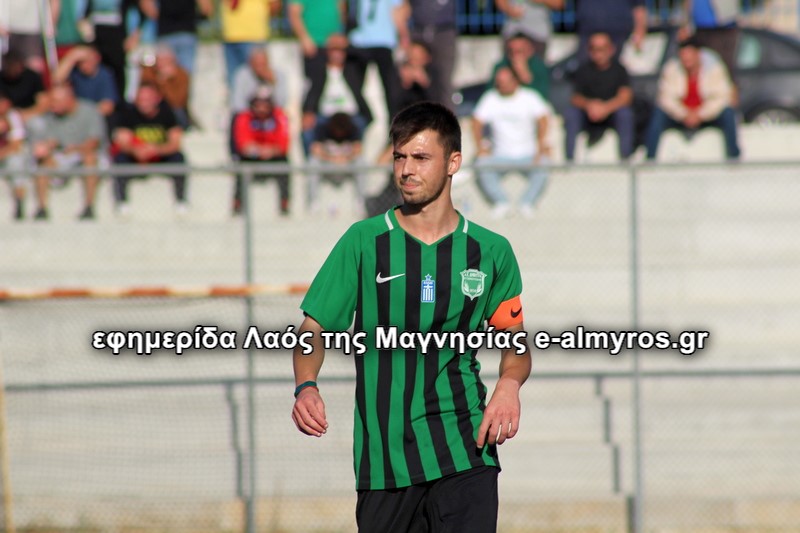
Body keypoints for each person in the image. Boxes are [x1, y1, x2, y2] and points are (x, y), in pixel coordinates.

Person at [291, 101, 532, 532]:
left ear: (453, 162)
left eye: (420, 157)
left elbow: (516, 343)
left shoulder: (491, 251)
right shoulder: (363, 241)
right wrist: (306, 385)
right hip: (386, 463)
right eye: (399, 157)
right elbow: (313, 329)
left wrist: (509, 386)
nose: (406, 170)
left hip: (466, 449)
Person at [644, 36, 740, 161]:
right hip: (680, 116)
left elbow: (722, 97)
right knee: (658, 115)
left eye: (689, 56)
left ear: (698, 54)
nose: (686, 60)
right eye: (683, 57)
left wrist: (700, 114)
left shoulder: (714, 68)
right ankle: (650, 159)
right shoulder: (671, 69)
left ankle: (734, 157)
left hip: (706, 115)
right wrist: (684, 114)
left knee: (728, 114)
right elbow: (665, 98)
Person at [473, 66, 551, 219]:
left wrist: (541, 144)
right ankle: (501, 202)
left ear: (515, 81)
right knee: (481, 163)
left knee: (545, 164)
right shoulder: (490, 98)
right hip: (500, 155)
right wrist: (480, 145)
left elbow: (543, 119)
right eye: (499, 82)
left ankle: (527, 203)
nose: (501, 85)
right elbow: (476, 122)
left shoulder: (530, 97)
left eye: (505, 81)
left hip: (528, 155)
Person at [28, 84, 107, 220]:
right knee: (42, 164)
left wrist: (75, 149)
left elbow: (94, 142)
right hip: (62, 156)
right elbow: (46, 142)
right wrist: (47, 147)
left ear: (69, 99)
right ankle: (41, 209)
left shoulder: (89, 111)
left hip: (85, 155)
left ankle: (89, 207)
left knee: (90, 159)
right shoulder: (50, 116)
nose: (52, 105)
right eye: (51, 101)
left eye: (56, 101)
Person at [111, 83, 188, 214]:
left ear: (157, 98)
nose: (144, 103)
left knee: (179, 158)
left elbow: (175, 143)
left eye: (148, 99)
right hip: (136, 156)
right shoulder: (128, 113)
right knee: (120, 159)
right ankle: (122, 202)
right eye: (141, 99)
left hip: (160, 156)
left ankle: (181, 201)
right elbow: (122, 140)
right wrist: (136, 150)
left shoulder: (168, 113)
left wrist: (156, 150)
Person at [564, 32, 635, 163]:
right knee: (571, 114)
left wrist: (605, 108)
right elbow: (575, 98)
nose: (598, 53)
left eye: (602, 49)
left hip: (611, 113)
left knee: (625, 114)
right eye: (594, 49)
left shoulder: (620, 70)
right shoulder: (583, 70)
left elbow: (625, 97)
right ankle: (569, 160)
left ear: (611, 49)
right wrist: (589, 105)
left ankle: (625, 160)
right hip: (588, 114)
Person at [301, 33, 371, 156]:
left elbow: (366, 56)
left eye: (341, 50)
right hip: (325, 116)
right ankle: (311, 163)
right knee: (307, 129)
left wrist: (347, 44)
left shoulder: (353, 69)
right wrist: (308, 111)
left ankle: (357, 160)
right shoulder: (318, 69)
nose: (337, 53)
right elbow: (312, 92)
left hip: (351, 116)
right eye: (334, 49)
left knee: (360, 124)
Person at [230, 85, 290, 216]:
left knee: (284, 164)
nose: (262, 108)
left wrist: (269, 150)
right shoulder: (244, 117)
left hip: (273, 157)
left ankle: (284, 205)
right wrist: (259, 150)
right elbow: (243, 145)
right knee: (240, 165)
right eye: (258, 104)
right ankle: (237, 205)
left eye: (265, 104)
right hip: (252, 157)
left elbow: (283, 145)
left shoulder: (279, 116)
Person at [346, 0, 410, 120]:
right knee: (353, 87)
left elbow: (400, 11)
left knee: (390, 89)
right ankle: (362, 120)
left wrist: (403, 36)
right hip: (358, 42)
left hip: (385, 42)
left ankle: (393, 124)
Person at [306, 111, 365, 214]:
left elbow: (358, 149)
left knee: (361, 162)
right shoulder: (322, 129)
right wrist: (332, 158)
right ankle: (313, 202)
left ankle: (360, 202)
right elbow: (314, 149)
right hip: (327, 167)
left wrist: (345, 158)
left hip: (346, 167)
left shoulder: (353, 129)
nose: (339, 133)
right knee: (313, 162)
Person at [406, 0, 457, 108]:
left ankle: (444, 115)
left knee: (443, 81)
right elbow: (403, 6)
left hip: (443, 31)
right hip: (418, 29)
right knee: (411, 77)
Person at [140, 0, 213, 74]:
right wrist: (195, 18)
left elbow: (146, 5)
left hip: (165, 33)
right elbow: (206, 8)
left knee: (165, 74)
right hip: (186, 33)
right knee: (185, 73)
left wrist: (162, 16)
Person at [682, 0, 740, 90]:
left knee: (723, 69)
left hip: (721, 27)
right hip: (699, 28)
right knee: (701, 69)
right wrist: (686, 23)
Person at [288, 0, 343, 93]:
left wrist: (339, 33)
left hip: (332, 43)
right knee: (315, 85)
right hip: (314, 43)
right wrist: (304, 39)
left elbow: (340, 9)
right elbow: (294, 14)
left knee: (332, 84)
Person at [52, 45, 119, 119]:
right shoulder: (75, 73)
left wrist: (84, 114)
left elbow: (108, 106)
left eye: (88, 61)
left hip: (94, 117)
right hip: (75, 115)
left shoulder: (105, 74)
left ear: (97, 58)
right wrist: (71, 57)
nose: (84, 66)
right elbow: (57, 79)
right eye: (81, 62)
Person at [575, 0, 647, 62]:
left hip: (618, 35)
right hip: (587, 33)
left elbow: (639, 8)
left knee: (615, 69)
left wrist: (639, 33)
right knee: (584, 67)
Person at [139, 46, 192, 130]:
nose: (161, 64)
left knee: (177, 111)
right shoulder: (151, 72)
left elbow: (178, 101)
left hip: (172, 109)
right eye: (159, 60)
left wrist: (165, 82)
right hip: (155, 107)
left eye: (165, 61)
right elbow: (145, 89)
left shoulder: (181, 75)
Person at [489, 32, 550, 101]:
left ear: (530, 51)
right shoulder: (501, 66)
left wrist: (525, 77)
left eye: (519, 51)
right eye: (511, 51)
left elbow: (542, 97)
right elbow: (489, 93)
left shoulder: (539, 67)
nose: (515, 56)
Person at [495, 0, 564, 58]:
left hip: (538, 35)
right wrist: (509, 10)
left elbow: (559, 3)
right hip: (513, 32)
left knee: (534, 68)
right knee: (509, 68)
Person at [229, 47, 287, 113]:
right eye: (257, 64)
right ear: (250, 63)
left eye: (262, 64)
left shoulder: (278, 75)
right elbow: (237, 104)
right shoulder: (242, 75)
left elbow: (281, 104)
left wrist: (273, 82)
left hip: (270, 115)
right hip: (249, 115)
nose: (260, 68)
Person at [0, 90, 29, 221]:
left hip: (6, 155)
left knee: (16, 162)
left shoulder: (13, 117)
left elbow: (16, 145)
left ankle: (19, 201)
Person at [0, 51, 49, 121]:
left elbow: (43, 102)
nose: (13, 69)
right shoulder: (2, 79)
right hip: (8, 118)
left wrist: (26, 114)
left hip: (32, 115)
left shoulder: (32, 77)